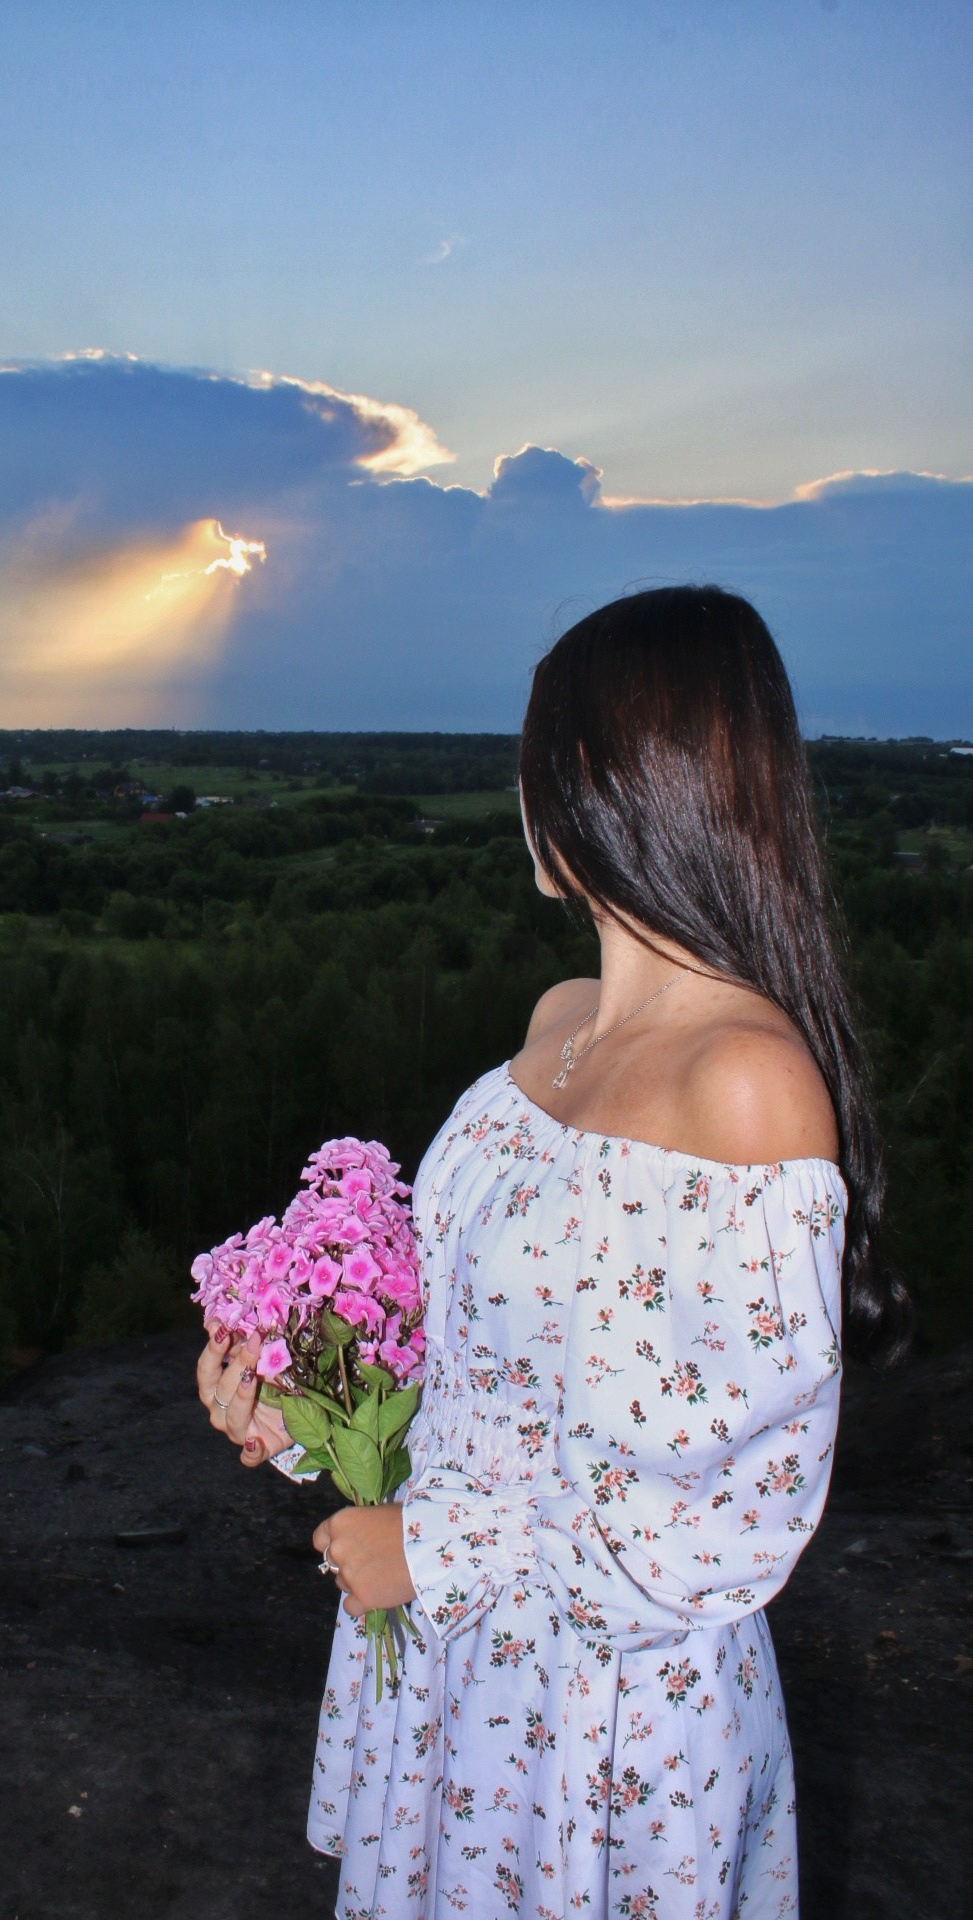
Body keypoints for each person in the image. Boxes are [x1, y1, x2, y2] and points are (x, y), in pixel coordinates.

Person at [197, 585, 910, 1920]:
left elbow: (733, 1518)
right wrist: (303, 1404)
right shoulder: (560, 1018)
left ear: (601, 781)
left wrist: (434, 1555)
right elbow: (469, 1357)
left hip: (608, 1730)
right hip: (466, 1688)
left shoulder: (747, 1084)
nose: (520, 786)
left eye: (536, 751)